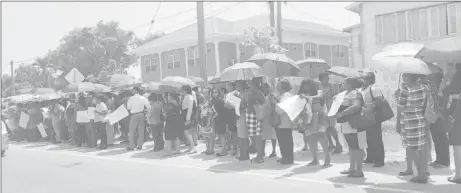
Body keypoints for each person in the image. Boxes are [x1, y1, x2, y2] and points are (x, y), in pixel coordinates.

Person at [397, 73, 430, 183]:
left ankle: (421, 174)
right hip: (420, 118)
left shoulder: (405, 89)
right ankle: (423, 171)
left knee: (412, 147)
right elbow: (426, 103)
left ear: (409, 77)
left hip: (409, 120)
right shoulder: (424, 88)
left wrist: (398, 97)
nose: (403, 77)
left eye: (405, 75)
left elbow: (401, 108)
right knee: (421, 147)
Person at [335, 77, 366, 178]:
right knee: (351, 147)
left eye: (344, 82)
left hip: (354, 123)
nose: (342, 84)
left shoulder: (356, 93)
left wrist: (342, 113)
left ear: (350, 84)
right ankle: (352, 168)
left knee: (356, 147)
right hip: (347, 123)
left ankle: (359, 170)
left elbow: (356, 106)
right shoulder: (346, 94)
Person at [299, 78, 331, 167]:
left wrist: (307, 97)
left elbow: (319, 96)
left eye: (307, 85)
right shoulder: (302, 94)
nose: (305, 87)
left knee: (321, 137)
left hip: (319, 117)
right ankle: (315, 159)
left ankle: (327, 158)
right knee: (311, 139)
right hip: (308, 118)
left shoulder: (318, 91)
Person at [360, 72, 386, 168]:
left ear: (370, 79)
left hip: (373, 116)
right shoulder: (363, 89)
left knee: (376, 138)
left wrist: (371, 105)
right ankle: (370, 157)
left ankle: (379, 160)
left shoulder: (374, 88)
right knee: (368, 137)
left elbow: (379, 100)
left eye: (365, 78)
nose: (363, 80)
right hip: (365, 115)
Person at [442, 63, 461, 184]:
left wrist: (445, 79)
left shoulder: (458, 76)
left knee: (457, 145)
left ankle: (458, 175)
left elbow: (445, 91)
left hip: (458, 114)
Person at [318, 72, 343, 153]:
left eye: (328, 79)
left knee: (332, 127)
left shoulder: (332, 87)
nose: (327, 80)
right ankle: (331, 144)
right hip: (322, 110)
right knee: (326, 128)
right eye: (325, 79)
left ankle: (338, 144)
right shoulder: (318, 88)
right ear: (321, 80)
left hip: (331, 110)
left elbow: (338, 96)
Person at [274, 79, 297, 165]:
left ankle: (288, 159)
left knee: (285, 140)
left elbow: (281, 109)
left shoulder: (287, 96)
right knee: (282, 140)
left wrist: (276, 105)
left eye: (279, 84)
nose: (277, 86)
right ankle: (285, 157)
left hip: (284, 120)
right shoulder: (282, 95)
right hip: (283, 121)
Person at [244, 77, 266, 163]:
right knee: (254, 136)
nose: (249, 85)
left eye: (250, 83)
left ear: (254, 84)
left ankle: (260, 156)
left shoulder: (258, 93)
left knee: (257, 136)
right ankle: (259, 154)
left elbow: (263, 105)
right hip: (250, 115)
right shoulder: (251, 92)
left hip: (255, 116)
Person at [261, 83, 277, 158]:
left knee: (272, 135)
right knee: (263, 135)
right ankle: (263, 151)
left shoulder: (271, 95)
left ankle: (274, 151)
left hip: (270, 117)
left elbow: (274, 105)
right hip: (264, 118)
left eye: (265, 88)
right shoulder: (264, 96)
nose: (264, 89)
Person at [164, 92, 183, 156]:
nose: (168, 96)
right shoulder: (178, 102)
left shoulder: (170, 103)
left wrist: (165, 114)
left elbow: (168, 112)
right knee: (177, 135)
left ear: (171, 96)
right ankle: (178, 150)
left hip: (170, 120)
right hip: (177, 119)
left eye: (169, 95)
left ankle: (168, 152)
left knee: (168, 136)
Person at [180, 85, 198, 154]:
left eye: (182, 90)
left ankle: (193, 147)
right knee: (187, 132)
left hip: (188, 116)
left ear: (186, 90)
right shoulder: (186, 97)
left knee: (186, 132)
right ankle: (191, 147)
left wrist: (188, 119)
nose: (181, 91)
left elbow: (190, 108)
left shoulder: (189, 97)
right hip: (185, 115)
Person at [236, 80, 250, 161]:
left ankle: (245, 154)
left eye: (238, 84)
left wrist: (241, 106)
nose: (237, 86)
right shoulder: (237, 94)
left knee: (244, 136)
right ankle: (242, 153)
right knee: (240, 136)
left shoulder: (246, 94)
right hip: (238, 116)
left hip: (244, 116)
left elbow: (247, 105)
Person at [200, 87, 217, 155]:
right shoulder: (204, 101)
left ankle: (211, 150)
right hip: (204, 120)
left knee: (211, 135)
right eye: (203, 93)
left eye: (206, 93)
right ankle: (207, 148)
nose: (204, 94)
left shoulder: (212, 101)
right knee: (206, 136)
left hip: (210, 120)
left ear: (210, 93)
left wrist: (210, 120)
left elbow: (213, 112)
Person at [224, 82, 239, 156]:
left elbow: (237, 105)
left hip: (234, 114)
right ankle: (233, 147)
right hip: (228, 114)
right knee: (232, 132)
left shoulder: (236, 93)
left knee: (235, 132)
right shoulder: (227, 94)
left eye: (229, 86)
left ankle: (236, 149)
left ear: (233, 86)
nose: (228, 87)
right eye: (227, 86)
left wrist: (230, 105)